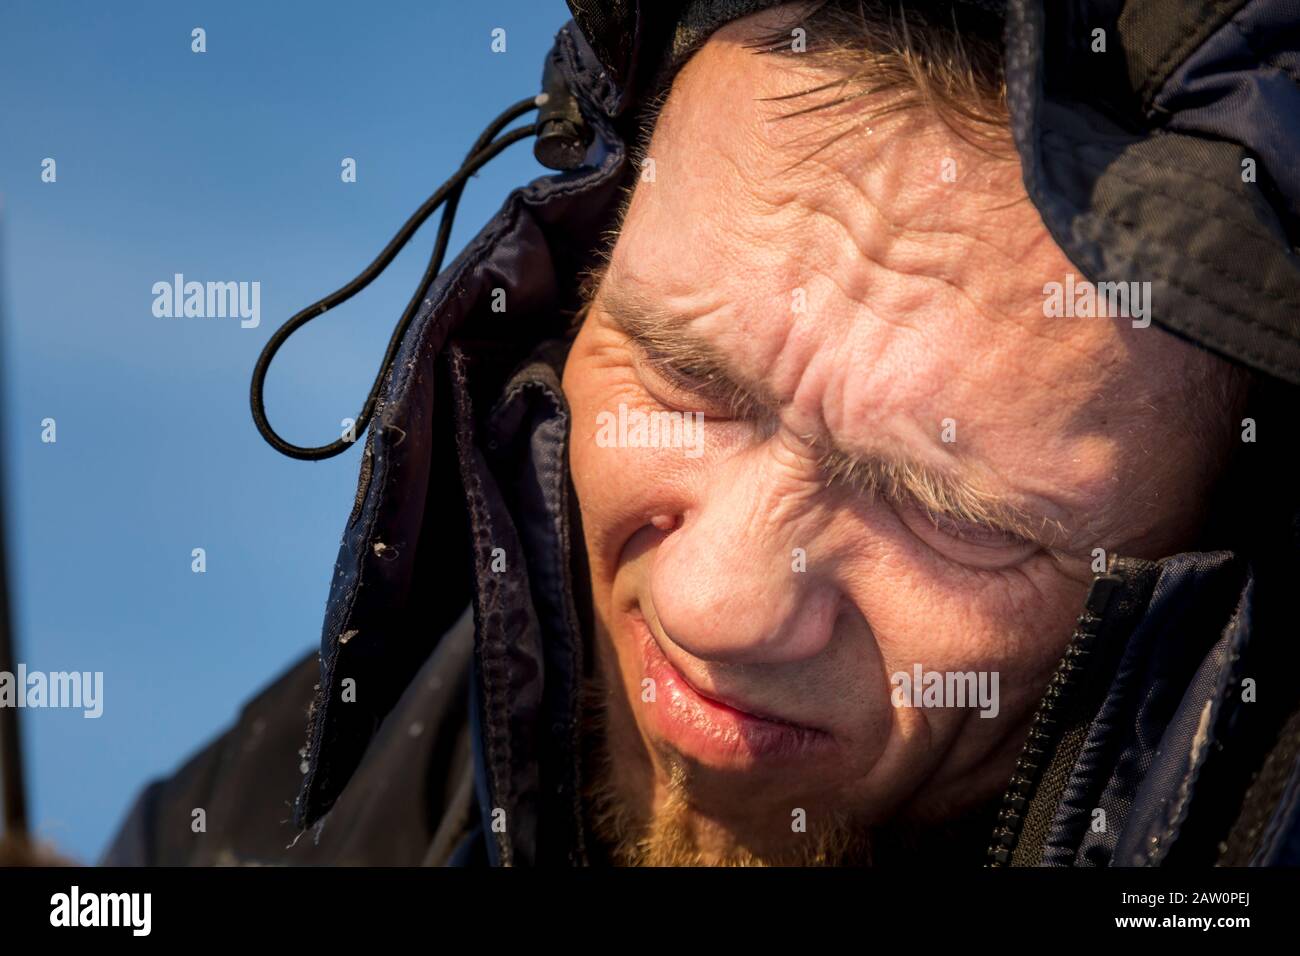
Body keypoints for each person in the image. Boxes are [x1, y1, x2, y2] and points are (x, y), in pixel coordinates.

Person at [104, 0, 1300, 867]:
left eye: (948, 515)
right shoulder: (285, 810)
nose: (715, 607)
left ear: (1223, 529)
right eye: (682, 381)